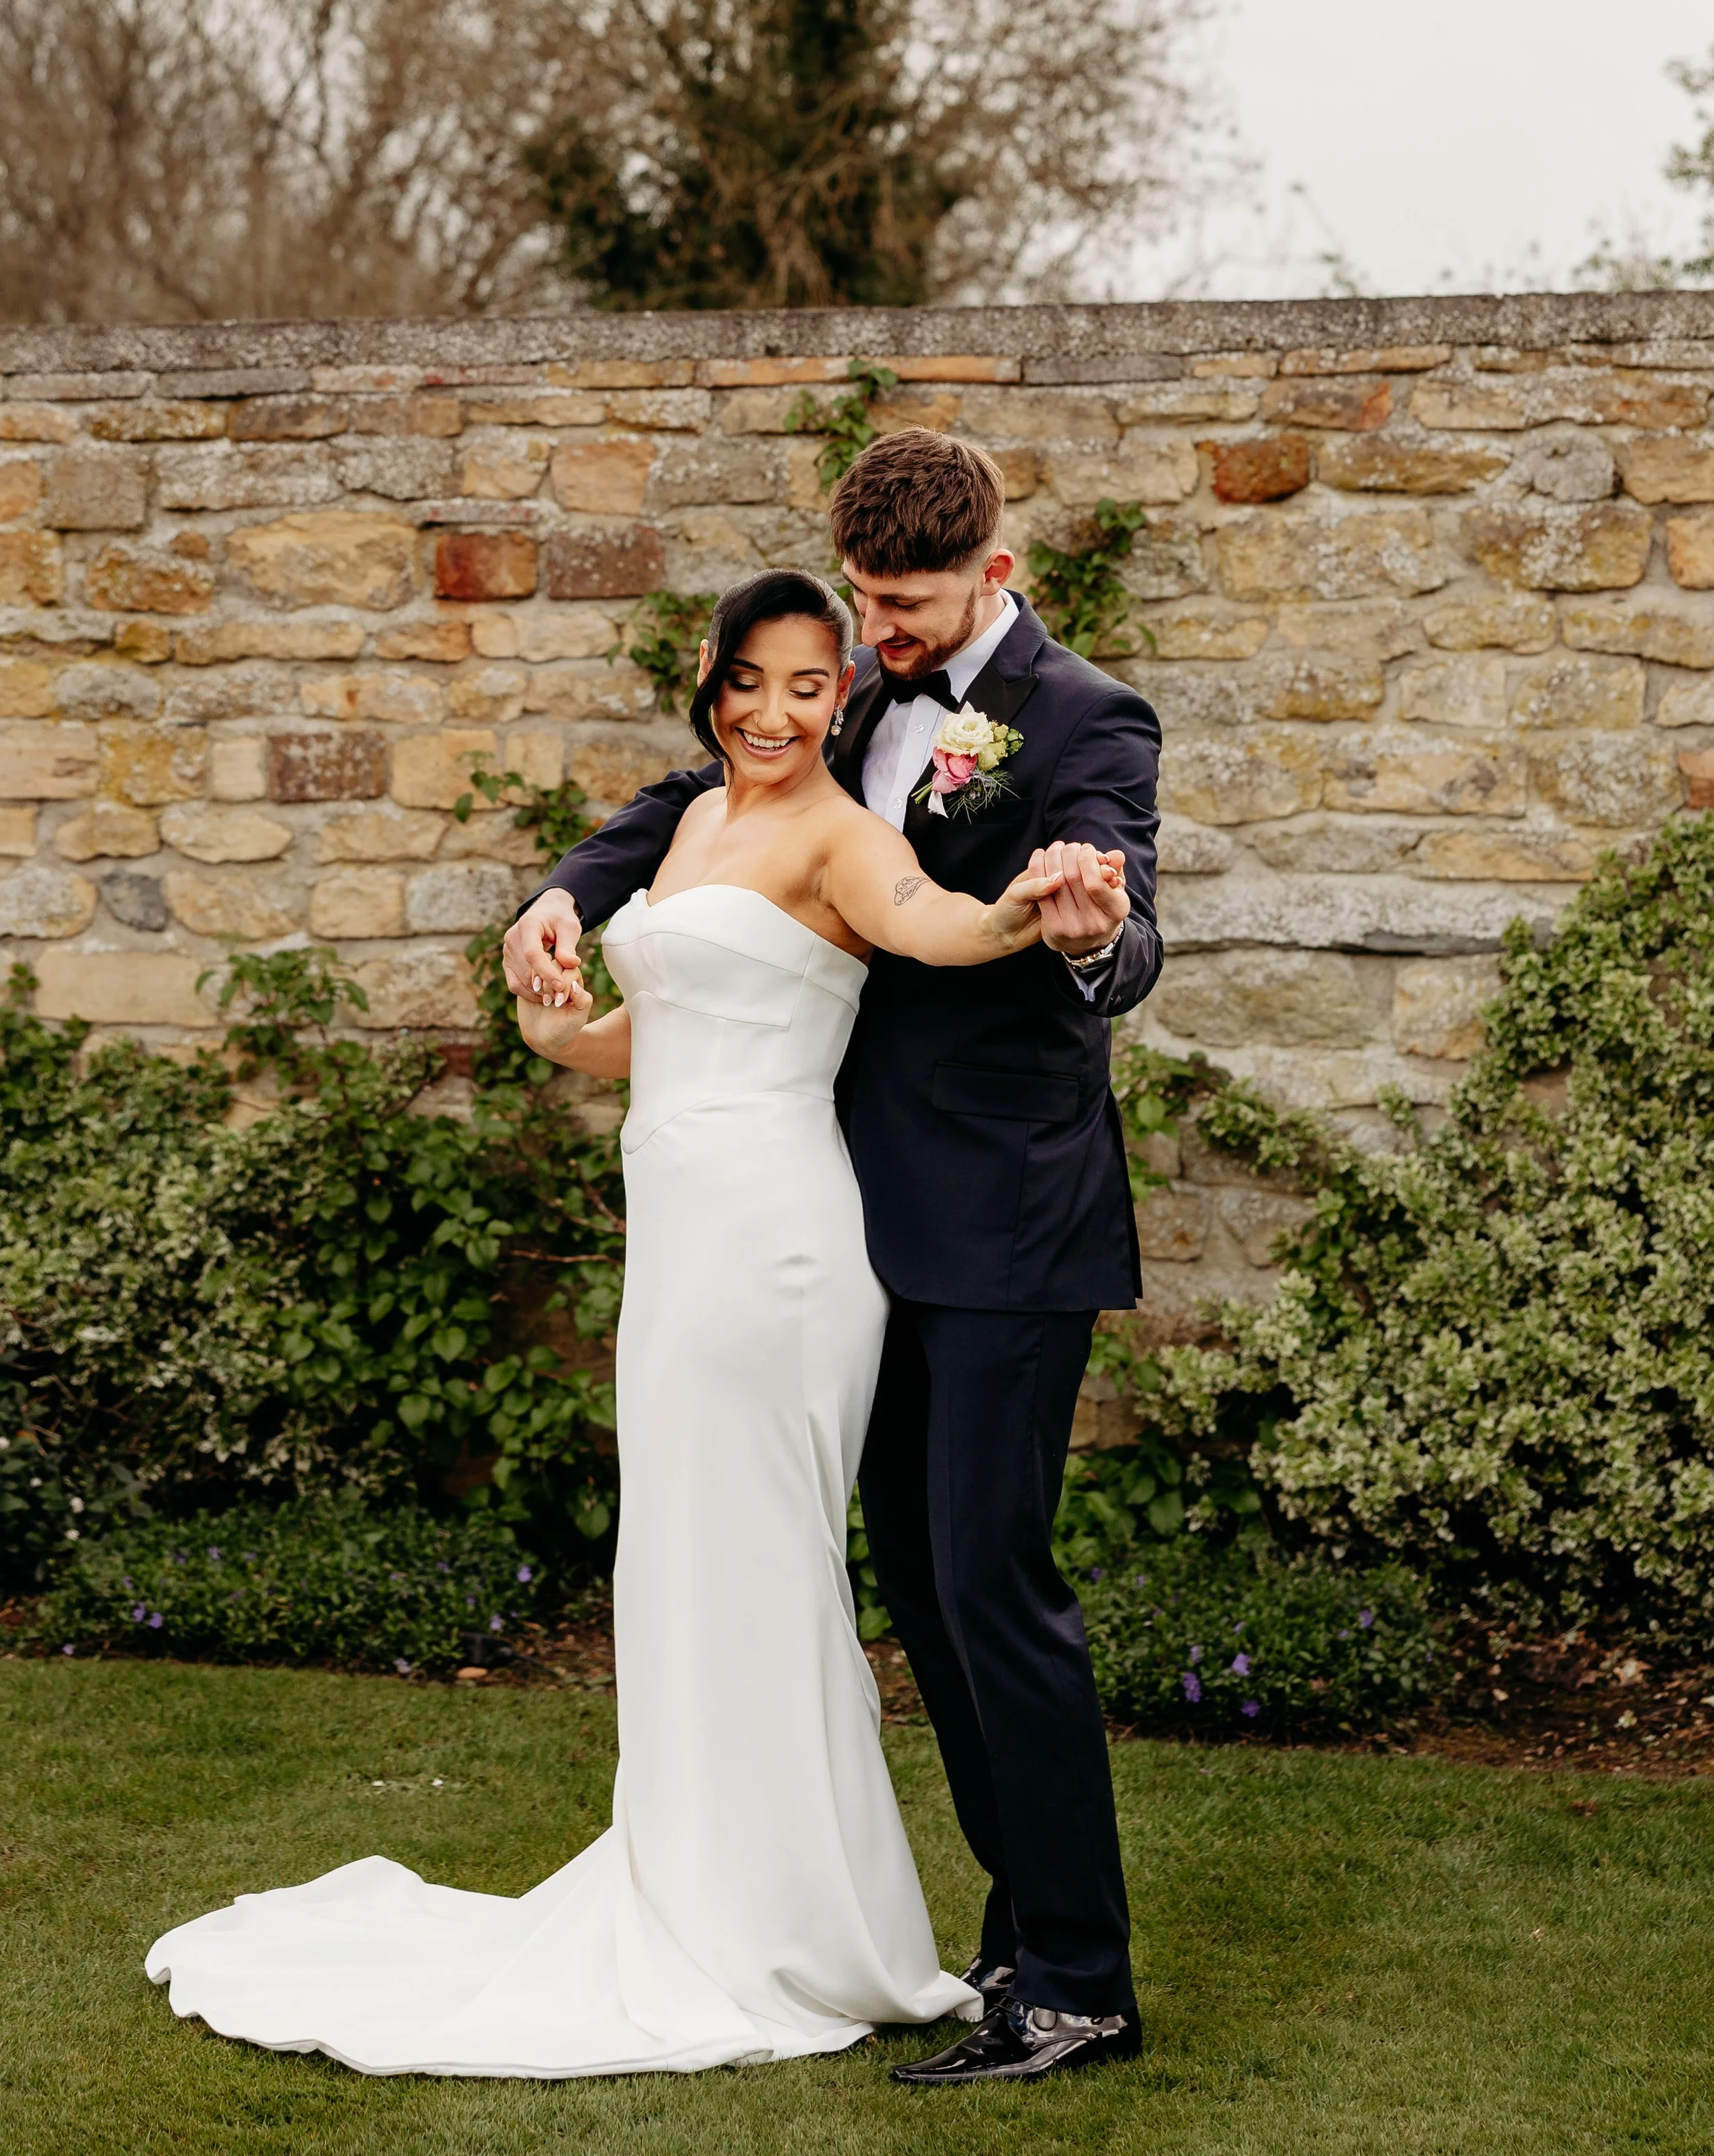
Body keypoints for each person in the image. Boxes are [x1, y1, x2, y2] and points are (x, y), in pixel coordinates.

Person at [144, 563, 1117, 2080]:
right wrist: (554, 1002)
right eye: (753, 682)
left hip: (775, 1247)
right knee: (680, 1557)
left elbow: (932, 927)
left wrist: (1033, 914)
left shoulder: (851, 833)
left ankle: (795, 1930)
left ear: (840, 688)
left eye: (810, 686)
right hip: (681, 1230)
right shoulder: (698, 817)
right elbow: (655, 1034)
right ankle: (707, 1892)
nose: (780, 710)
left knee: (764, 1559)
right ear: (714, 681)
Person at [505, 427, 1163, 2086]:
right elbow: (693, 802)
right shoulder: (860, 689)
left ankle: (1079, 1978)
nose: (878, 634)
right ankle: (1015, 1946)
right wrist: (560, 891)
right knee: (926, 1607)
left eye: (908, 605)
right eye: (863, 599)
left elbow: (1111, 892)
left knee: (993, 1592)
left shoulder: (1083, 720)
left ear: (992, 575)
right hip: (845, 1224)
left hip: (1006, 1223)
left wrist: (1085, 923)